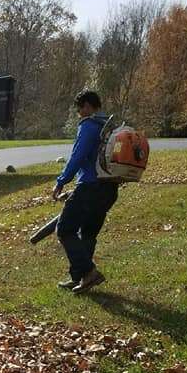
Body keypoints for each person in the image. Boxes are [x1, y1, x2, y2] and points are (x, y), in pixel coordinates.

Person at [52, 89, 119, 294]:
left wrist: (61, 181)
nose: (79, 113)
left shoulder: (89, 126)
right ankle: (79, 278)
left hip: (90, 187)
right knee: (88, 232)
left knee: (64, 229)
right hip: (109, 188)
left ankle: (89, 272)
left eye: (80, 108)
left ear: (88, 106)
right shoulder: (108, 127)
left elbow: (77, 156)